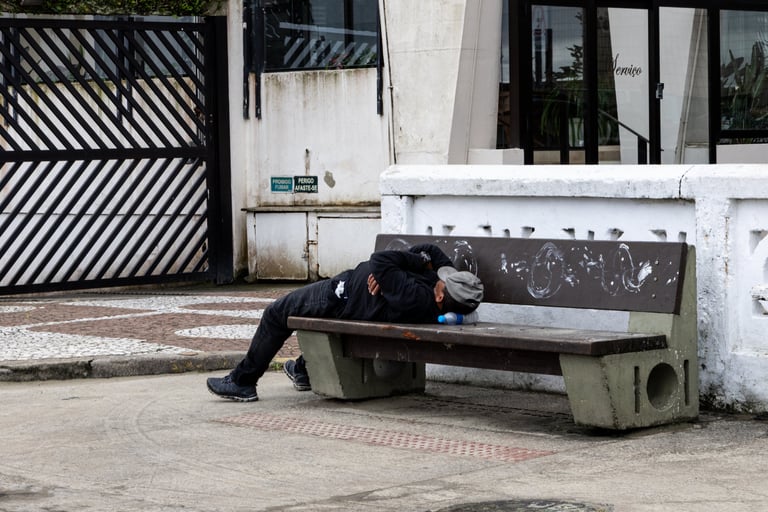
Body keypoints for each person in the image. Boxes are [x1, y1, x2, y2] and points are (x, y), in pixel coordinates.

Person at [206, 243, 484, 401]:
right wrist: (404, 269)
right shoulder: (437, 295)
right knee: (303, 320)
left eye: (443, 281)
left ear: (440, 296)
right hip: (353, 294)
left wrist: (406, 265)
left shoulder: (415, 298)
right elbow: (431, 251)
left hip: (341, 297)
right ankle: (304, 371)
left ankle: (243, 381)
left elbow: (381, 259)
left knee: (276, 314)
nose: (440, 276)